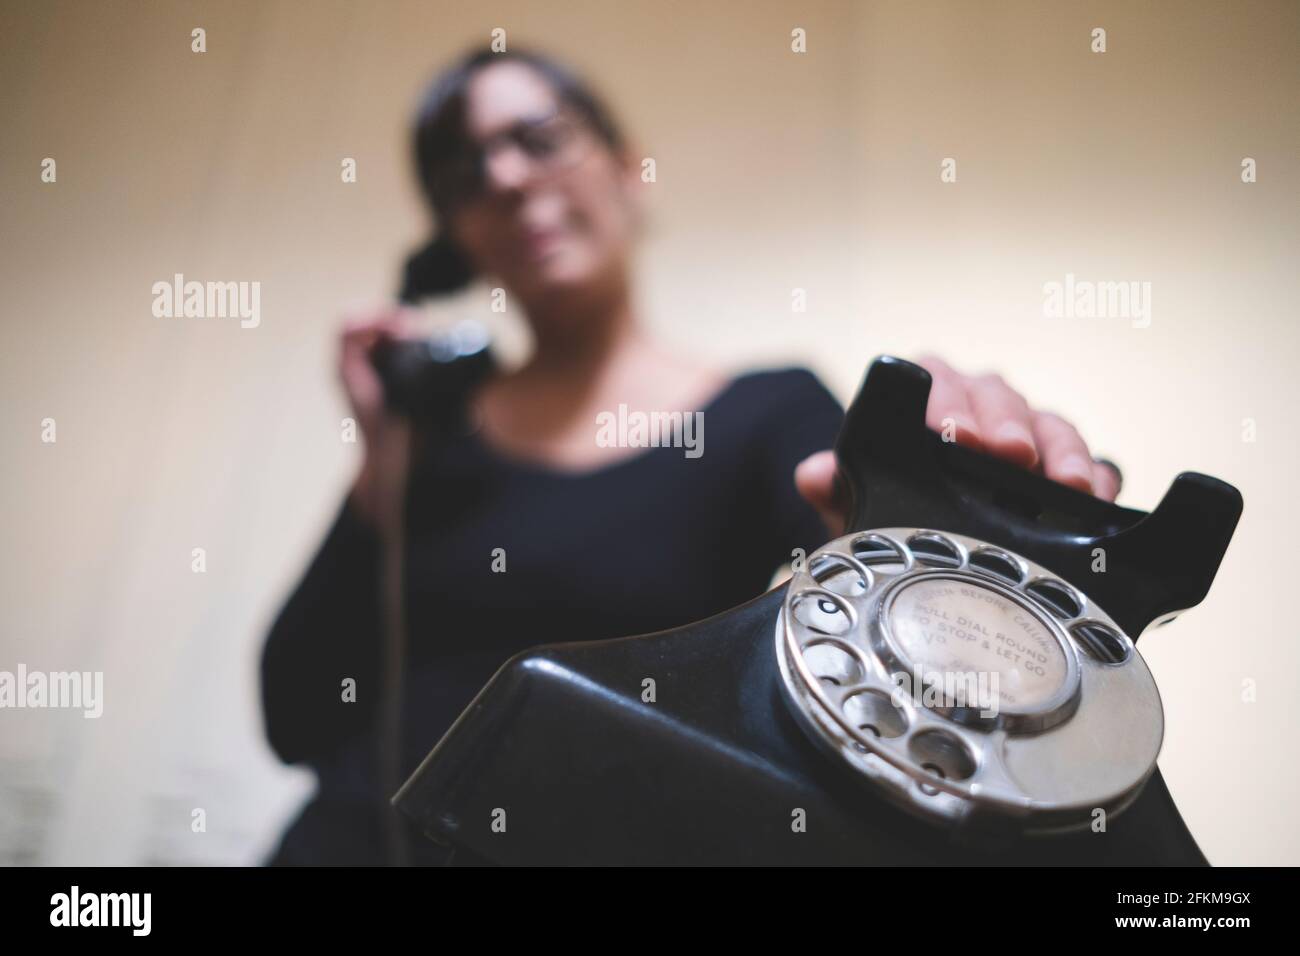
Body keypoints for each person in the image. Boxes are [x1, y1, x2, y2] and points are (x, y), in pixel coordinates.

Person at [259, 46, 1122, 865]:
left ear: (627, 168)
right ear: (455, 237)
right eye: (464, 171)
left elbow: (880, 548)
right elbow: (291, 714)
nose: (507, 177)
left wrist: (974, 526)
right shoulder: (429, 441)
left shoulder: (767, 413)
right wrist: (379, 462)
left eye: (539, 138)